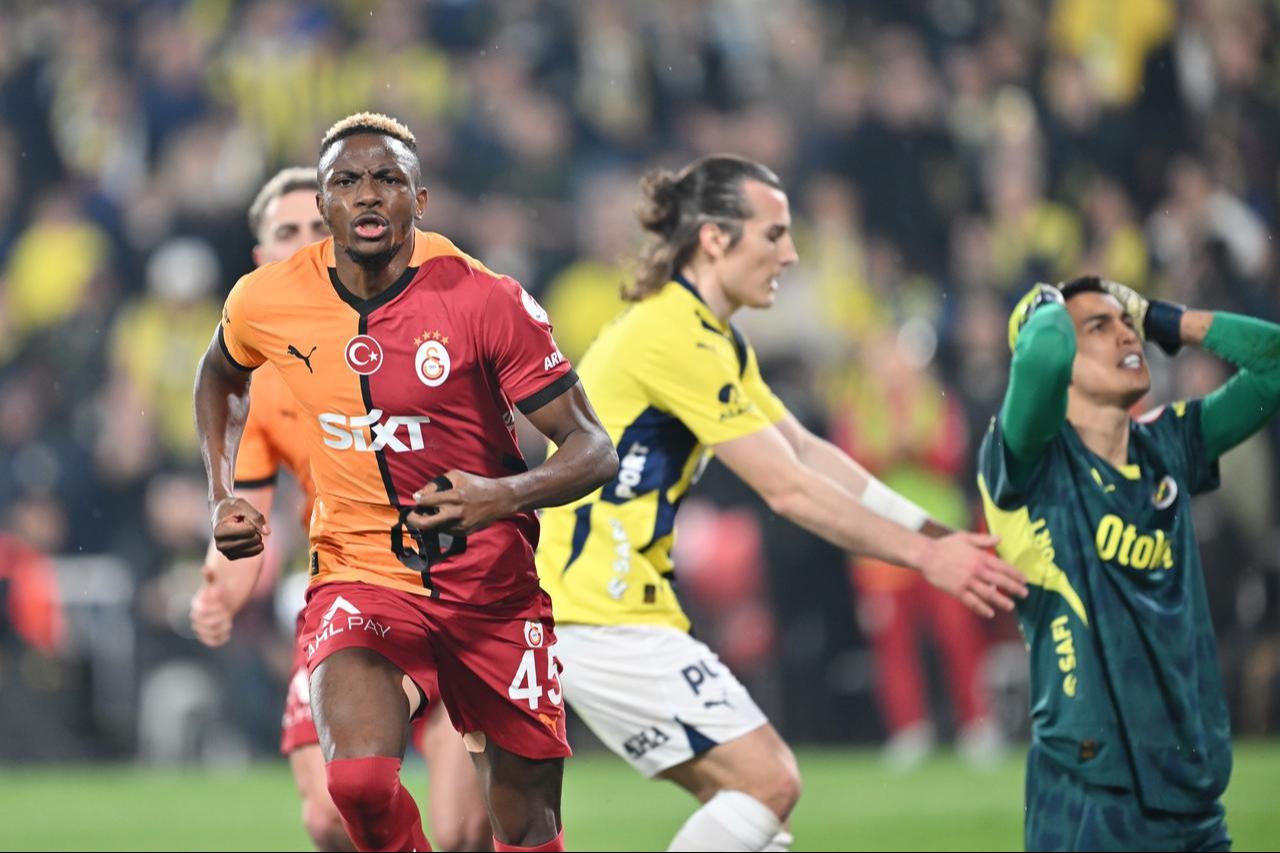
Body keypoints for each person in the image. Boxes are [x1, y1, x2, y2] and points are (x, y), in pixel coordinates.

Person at [534, 155, 1028, 852]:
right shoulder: (672, 333)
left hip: (615, 606)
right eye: (773, 234)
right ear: (715, 239)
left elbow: (805, 451)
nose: (790, 255)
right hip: (594, 609)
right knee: (769, 783)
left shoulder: (709, 335)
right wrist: (924, 557)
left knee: (760, 820)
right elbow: (788, 488)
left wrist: (933, 531)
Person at [194, 112, 618, 853]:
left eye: (388, 179)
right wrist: (222, 492)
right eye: (346, 182)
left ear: (419, 201)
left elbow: (593, 448)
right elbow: (220, 374)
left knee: (521, 823)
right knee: (356, 786)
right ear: (324, 203)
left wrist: (500, 495)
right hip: (359, 574)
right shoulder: (267, 298)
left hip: (489, 588)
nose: (367, 195)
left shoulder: (485, 298)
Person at [188, 166, 491, 851]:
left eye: (314, 227)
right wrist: (221, 587)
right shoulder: (257, 381)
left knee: (465, 830)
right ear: (260, 255)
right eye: (285, 231)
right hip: (349, 589)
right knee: (331, 816)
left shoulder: (412, 321)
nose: (303, 241)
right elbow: (245, 510)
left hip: (451, 586)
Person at [981, 275, 1280, 851]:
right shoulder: (1026, 461)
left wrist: (1168, 321)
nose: (1126, 335)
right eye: (1099, 327)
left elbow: (1274, 365)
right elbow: (1042, 353)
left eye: (1127, 322)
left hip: (1192, 796)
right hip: (1088, 798)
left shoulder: (1170, 443)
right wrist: (1048, 301)